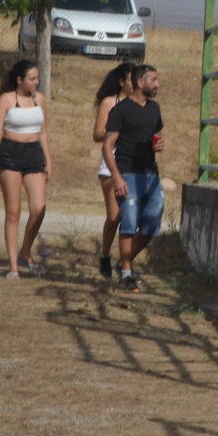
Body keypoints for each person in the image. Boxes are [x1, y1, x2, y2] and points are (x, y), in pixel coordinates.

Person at [0, 59, 53, 279]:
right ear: (19, 80)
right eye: (32, 79)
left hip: (34, 154)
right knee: (13, 212)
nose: (36, 82)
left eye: (37, 78)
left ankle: (26, 251)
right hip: (10, 154)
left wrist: (48, 160)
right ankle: (14, 266)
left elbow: (42, 131)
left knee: (38, 208)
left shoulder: (39, 99)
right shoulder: (6, 99)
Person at [103, 63, 164, 291]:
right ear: (140, 82)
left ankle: (123, 261)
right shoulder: (121, 110)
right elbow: (107, 147)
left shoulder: (154, 109)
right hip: (127, 173)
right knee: (128, 223)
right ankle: (127, 272)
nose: (157, 84)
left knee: (151, 224)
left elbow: (156, 135)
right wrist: (117, 178)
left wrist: (159, 144)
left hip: (151, 175)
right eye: (153, 80)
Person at [92, 61, 134, 278]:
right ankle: (106, 255)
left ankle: (126, 262)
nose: (135, 82)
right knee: (115, 216)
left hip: (134, 164)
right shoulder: (110, 102)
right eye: (131, 79)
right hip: (111, 165)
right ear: (121, 82)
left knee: (133, 217)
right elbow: (98, 133)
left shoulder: (141, 102)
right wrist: (118, 131)